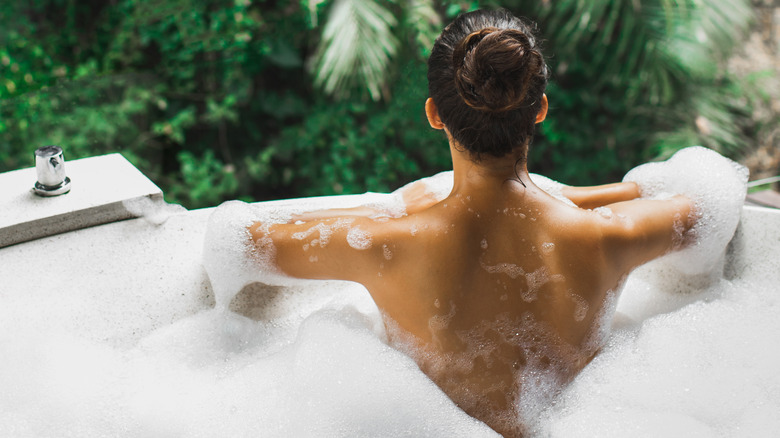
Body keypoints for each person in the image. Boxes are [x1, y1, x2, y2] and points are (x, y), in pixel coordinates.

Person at [248, 9, 694, 437]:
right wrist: (577, 198)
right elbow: (697, 207)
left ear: (435, 115)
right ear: (539, 109)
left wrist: (396, 208)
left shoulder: (383, 243)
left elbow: (252, 242)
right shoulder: (609, 236)